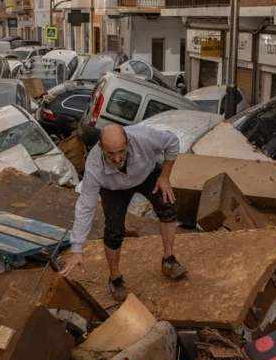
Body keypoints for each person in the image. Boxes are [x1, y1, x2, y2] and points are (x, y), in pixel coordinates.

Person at [59, 124, 187, 301]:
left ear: (128, 142)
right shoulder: (94, 167)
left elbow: (172, 142)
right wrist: (76, 249)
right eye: (110, 153)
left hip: (146, 174)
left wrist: (164, 177)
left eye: (121, 151)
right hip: (113, 188)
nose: (117, 158)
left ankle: (169, 259)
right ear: (101, 147)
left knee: (167, 206)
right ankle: (115, 279)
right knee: (114, 230)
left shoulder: (146, 138)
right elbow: (85, 207)